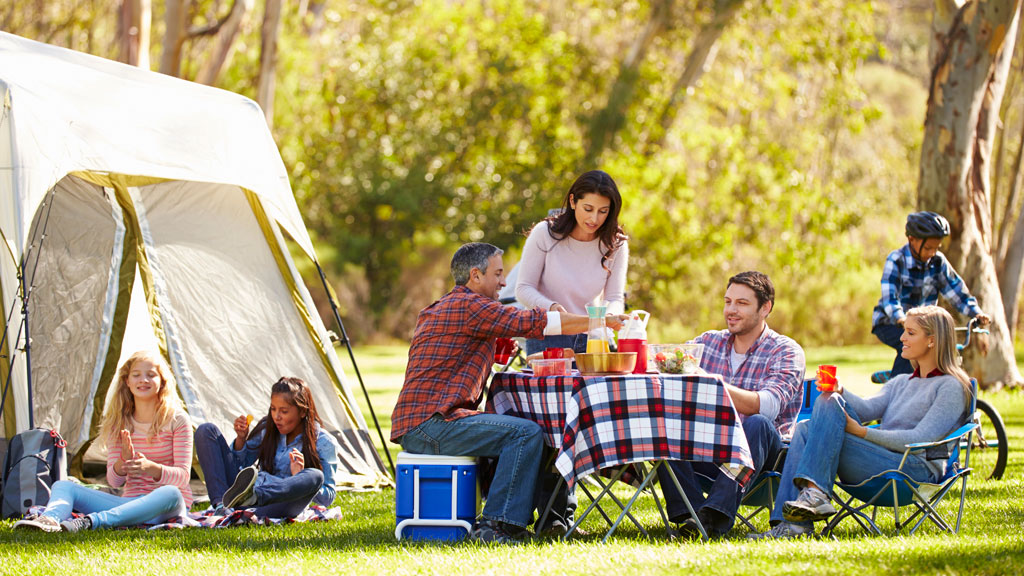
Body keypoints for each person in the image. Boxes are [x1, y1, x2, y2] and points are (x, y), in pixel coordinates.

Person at [391, 242, 626, 544]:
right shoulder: (471, 306)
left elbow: (462, 349)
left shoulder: (448, 305)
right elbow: (537, 322)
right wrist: (600, 320)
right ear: (475, 276)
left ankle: (522, 517)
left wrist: (495, 346)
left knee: (519, 427)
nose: (504, 282)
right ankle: (495, 526)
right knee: (524, 433)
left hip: (423, 422)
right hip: (433, 425)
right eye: (498, 274)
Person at [751, 305, 972, 539]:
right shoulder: (901, 382)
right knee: (814, 417)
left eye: (910, 332)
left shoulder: (952, 387)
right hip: (880, 460)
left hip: (914, 470)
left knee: (811, 426)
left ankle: (803, 512)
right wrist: (840, 390)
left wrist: (862, 433)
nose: (902, 338)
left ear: (932, 340)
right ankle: (800, 515)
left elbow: (920, 438)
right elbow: (867, 409)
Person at [657, 271, 805, 539]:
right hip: (708, 446)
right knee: (665, 423)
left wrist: (711, 383)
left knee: (757, 423)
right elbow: (669, 374)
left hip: (761, 453)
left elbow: (767, 408)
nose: (731, 310)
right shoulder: (706, 342)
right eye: (728, 302)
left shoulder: (785, 350)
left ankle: (712, 516)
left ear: (765, 308)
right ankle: (691, 515)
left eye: (742, 303)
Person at [13, 350, 192, 532]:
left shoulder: (177, 420)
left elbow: (183, 477)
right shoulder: (119, 421)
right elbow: (114, 482)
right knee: (63, 485)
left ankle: (91, 521)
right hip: (127, 503)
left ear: (162, 381)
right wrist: (122, 463)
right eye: (136, 375)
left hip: (166, 505)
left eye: (151, 375)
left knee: (170, 493)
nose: (143, 380)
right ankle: (49, 520)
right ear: (127, 381)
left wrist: (150, 467)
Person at [515, 170, 629, 356]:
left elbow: (615, 297)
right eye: (588, 209)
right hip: (548, 335)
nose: (594, 219)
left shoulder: (616, 244)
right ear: (573, 202)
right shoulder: (545, 233)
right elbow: (523, 288)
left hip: (593, 338)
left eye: (603, 211)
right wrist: (551, 307)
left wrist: (609, 317)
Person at [194, 377, 341, 518]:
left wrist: (299, 476)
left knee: (315, 476)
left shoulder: (324, 442)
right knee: (206, 430)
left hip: (280, 504)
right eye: (273, 409)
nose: (276, 417)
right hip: (244, 496)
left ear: (303, 412)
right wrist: (241, 439)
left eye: (284, 411)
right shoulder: (267, 430)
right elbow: (240, 468)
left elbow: (328, 498)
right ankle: (221, 507)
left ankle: (254, 498)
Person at [872, 211, 990, 377]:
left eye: (936, 248)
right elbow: (889, 299)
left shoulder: (938, 262)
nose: (932, 253)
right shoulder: (896, 260)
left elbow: (956, 291)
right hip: (889, 322)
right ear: (912, 239)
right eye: (928, 248)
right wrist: (901, 318)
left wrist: (976, 313)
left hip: (923, 325)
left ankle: (923, 384)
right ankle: (897, 386)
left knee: (935, 350)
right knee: (910, 343)